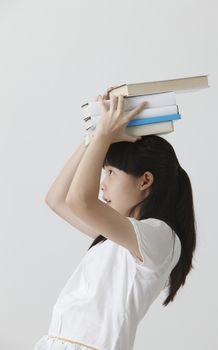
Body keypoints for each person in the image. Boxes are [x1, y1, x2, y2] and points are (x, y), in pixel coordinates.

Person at [33, 87, 197, 350]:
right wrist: (93, 136)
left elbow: (79, 200)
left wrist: (103, 137)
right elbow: (57, 199)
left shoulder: (159, 237)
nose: (102, 185)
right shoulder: (118, 237)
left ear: (145, 180)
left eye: (110, 172)